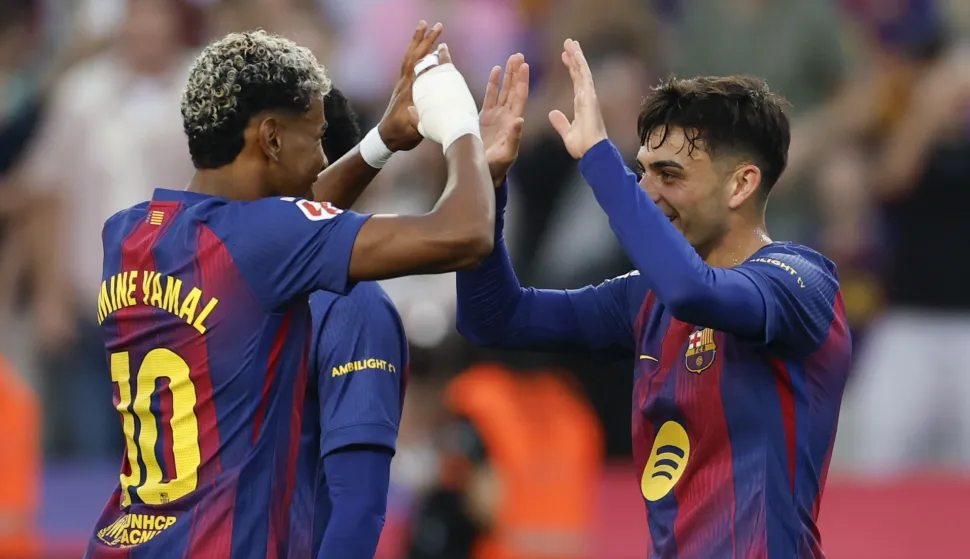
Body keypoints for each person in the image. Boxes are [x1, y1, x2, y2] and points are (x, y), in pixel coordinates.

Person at [86, 23, 496, 558]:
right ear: (272, 138)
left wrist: (380, 142)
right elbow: (465, 234)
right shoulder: (266, 243)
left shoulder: (128, 232)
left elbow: (274, 235)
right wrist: (461, 126)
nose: (324, 158)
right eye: (316, 136)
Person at [456, 39, 852, 558]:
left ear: (740, 185)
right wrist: (487, 185)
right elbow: (495, 318)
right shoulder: (646, 300)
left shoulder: (801, 283)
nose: (644, 189)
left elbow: (694, 291)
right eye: (641, 170)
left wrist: (599, 159)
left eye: (669, 174)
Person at [290, 54, 530, 559]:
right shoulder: (351, 302)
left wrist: (377, 144)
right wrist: (459, 129)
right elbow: (357, 511)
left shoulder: (192, 248)